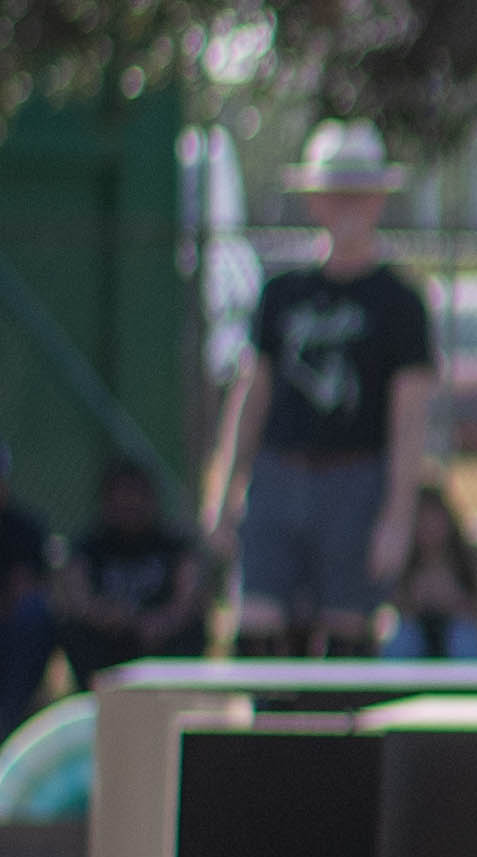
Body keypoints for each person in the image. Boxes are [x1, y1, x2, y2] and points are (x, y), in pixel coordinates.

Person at [210, 123, 437, 651]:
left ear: (380, 201)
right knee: (260, 629)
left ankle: (333, 739)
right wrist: (227, 490)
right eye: (336, 194)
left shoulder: (398, 301)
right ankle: (264, 735)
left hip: (354, 479)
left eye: (360, 195)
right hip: (279, 473)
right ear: (315, 202)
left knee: (345, 637)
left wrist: (397, 517)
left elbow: (409, 416)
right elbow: (253, 393)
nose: (348, 208)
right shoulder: (283, 293)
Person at [57, 457, 209, 679]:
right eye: (122, 494)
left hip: (162, 639)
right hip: (109, 642)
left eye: (136, 493)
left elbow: (188, 598)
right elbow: (78, 600)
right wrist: (114, 617)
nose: (130, 502)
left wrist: (162, 621)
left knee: (192, 630)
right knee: (75, 632)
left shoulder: (174, 546)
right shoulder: (89, 547)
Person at [375, 483, 477, 662]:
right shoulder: (398, 560)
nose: (429, 529)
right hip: (416, 634)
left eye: (434, 520)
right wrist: (414, 600)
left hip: (457, 635)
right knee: (402, 638)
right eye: (422, 520)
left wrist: (454, 601)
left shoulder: (472, 562)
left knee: (465, 638)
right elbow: (383, 614)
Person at [0, 435, 53, 713]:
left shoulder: (24, 530)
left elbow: (28, 591)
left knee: (33, 614)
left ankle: (8, 720)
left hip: (10, 631)